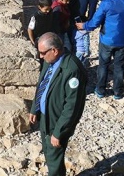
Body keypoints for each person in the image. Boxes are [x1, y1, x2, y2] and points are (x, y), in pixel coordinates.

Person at [29, 32, 87, 176]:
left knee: (54, 157)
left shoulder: (72, 69)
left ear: (54, 50)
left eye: (42, 53)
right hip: (45, 116)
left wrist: (58, 132)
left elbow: (72, 106)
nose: (40, 56)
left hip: (56, 121)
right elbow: (42, 84)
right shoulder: (50, 61)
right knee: (49, 153)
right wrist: (34, 108)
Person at [76, 0, 124, 100]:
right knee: (119, 66)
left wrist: (84, 26)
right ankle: (118, 92)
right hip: (122, 40)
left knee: (103, 65)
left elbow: (95, 22)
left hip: (107, 39)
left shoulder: (106, 3)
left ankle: (100, 90)